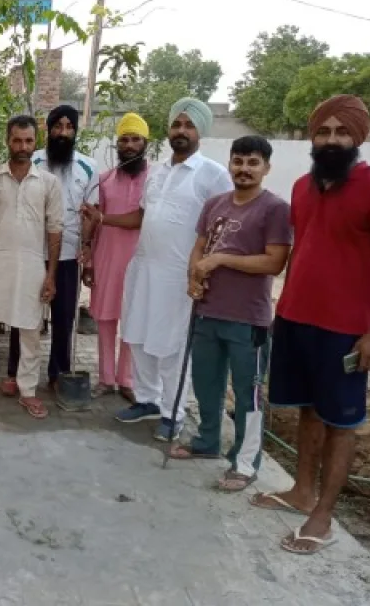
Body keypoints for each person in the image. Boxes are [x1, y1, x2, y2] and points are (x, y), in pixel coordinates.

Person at [251, 95, 370, 555]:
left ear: (358, 137)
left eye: (341, 132)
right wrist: (282, 309)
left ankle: (323, 516)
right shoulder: (302, 187)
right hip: (295, 318)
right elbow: (305, 251)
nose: (331, 140)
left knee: (341, 422)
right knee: (307, 410)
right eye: (323, 131)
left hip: (346, 329)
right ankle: (301, 491)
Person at [167, 136, 291, 493]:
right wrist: (194, 277)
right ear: (230, 164)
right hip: (208, 310)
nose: (244, 169)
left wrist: (221, 260)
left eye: (253, 163)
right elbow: (199, 247)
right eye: (238, 161)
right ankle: (207, 441)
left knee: (247, 392)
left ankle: (245, 462)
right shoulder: (215, 204)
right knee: (206, 382)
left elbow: (274, 262)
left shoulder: (275, 209)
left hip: (248, 319)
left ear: (266, 168)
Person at [115, 98, 232, 440]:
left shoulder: (214, 175)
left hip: (179, 275)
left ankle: (173, 411)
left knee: (172, 344)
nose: (181, 131)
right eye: (177, 124)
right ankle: (147, 399)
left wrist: (206, 269)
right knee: (138, 335)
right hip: (144, 267)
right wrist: (103, 218)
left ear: (200, 131)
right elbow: (142, 215)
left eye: (189, 125)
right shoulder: (156, 171)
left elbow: (224, 227)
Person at [0, 116, 64, 419]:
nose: (22, 146)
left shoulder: (49, 183)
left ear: (35, 143)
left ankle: (28, 390)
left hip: (32, 264)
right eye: (17, 140)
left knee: (30, 329)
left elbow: (55, 231)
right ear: (8, 141)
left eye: (28, 141)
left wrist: (51, 276)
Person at [4, 104, 98, 407]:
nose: (63, 132)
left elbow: (91, 213)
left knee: (63, 317)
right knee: (23, 314)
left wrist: (87, 247)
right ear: (48, 129)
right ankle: (15, 371)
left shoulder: (88, 167)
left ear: (75, 131)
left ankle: (58, 373)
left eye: (69, 127)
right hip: (32, 250)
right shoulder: (34, 160)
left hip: (68, 253)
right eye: (58, 126)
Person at [82, 113, 150, 402]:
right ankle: (106, 378)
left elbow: (142, 219)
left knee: (133, 320)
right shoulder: (105, 180)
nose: (129, 145)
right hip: (108, 258)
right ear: (117, 144)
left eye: (135, 139)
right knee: (105, 319)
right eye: (124, 140)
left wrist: (103, 218)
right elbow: (93, 222)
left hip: (142, 261)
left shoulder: (156, 179)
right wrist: (88, 260)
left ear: (146, 143)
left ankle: (127, 380)